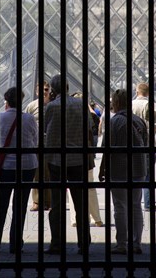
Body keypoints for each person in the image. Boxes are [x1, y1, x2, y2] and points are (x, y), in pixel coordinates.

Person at [0, 87, 38, 254]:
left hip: (6, 167)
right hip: (27, 166)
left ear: (6, 101)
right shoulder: (28, 119)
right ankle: (15, 243)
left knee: (0, 205)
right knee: (19, 206)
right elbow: (34, 141)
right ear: (21, 101)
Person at [44, 75, 92, 255]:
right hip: (78, 159)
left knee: (56, 204)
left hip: (56, 159)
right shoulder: (80, 104)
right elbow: (89, 129)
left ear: (54, 90)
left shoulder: (51, 107)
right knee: (80, 204)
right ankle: (84, 242)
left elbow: (46, 131)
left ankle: (57, 242)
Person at [99, 88, 147, 255]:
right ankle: (137, 243)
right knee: (136, 206)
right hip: (139, 168)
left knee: (120, 206)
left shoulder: (114, 122)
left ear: (117, 102)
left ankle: (121, 244)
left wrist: (102, 168)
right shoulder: (139, 121)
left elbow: (107, 147)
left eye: (113, 101)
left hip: (119, 169)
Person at [68, 92, 103, 228]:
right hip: (86, 157)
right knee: (90, 187)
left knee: (73, 189)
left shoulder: (68, 115)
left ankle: (75, 218)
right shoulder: (87, 115)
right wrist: (89, 108)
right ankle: (96, 218)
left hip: (71, 156)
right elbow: (95, 128)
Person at [132, 82, 156, 211]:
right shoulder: (154, 106)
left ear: (137, 91)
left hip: (133, 143)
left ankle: (133, 202)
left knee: (133, 174)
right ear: (149, 92)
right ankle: (148, 203)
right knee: (149, 174)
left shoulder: (130, 105)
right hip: (148, 143)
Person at [25, 80, 51, 211]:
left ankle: (48, 201)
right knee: (36, 174)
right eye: (41, 90)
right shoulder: (31, 106)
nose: (44, 92)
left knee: (49, 173)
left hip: (50, 144)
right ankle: (36, 201)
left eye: (46, 90)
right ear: (36, 92)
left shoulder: (53, 105)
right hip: (35, 143)